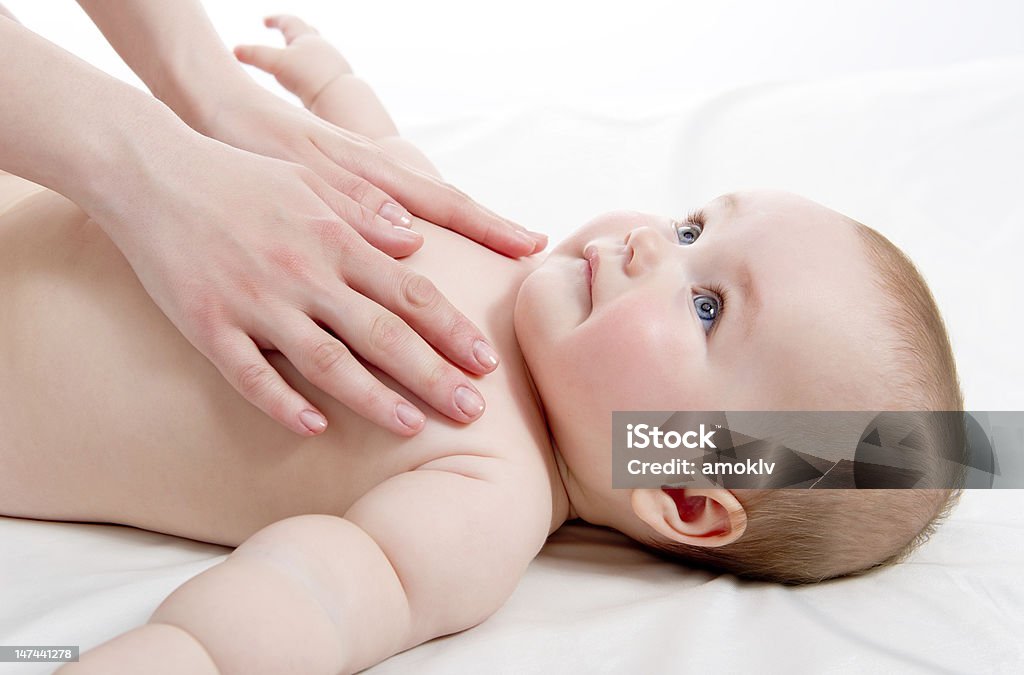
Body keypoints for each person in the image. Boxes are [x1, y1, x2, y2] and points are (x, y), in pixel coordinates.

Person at [0, 14, 962, 674]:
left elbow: (320, 594)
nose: (648, 245)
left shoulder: (487, 495)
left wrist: (187, 655)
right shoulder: (510, 250)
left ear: (677, 484)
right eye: (690, 227)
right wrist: (337, 89)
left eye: (706, 305)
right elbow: (385, 172)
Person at [0, 1, 549, 440]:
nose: (638, 242)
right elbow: (378, 148)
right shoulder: (509, 262)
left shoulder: (494, 466)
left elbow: (341, 570)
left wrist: (212, 93)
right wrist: (332, 85)